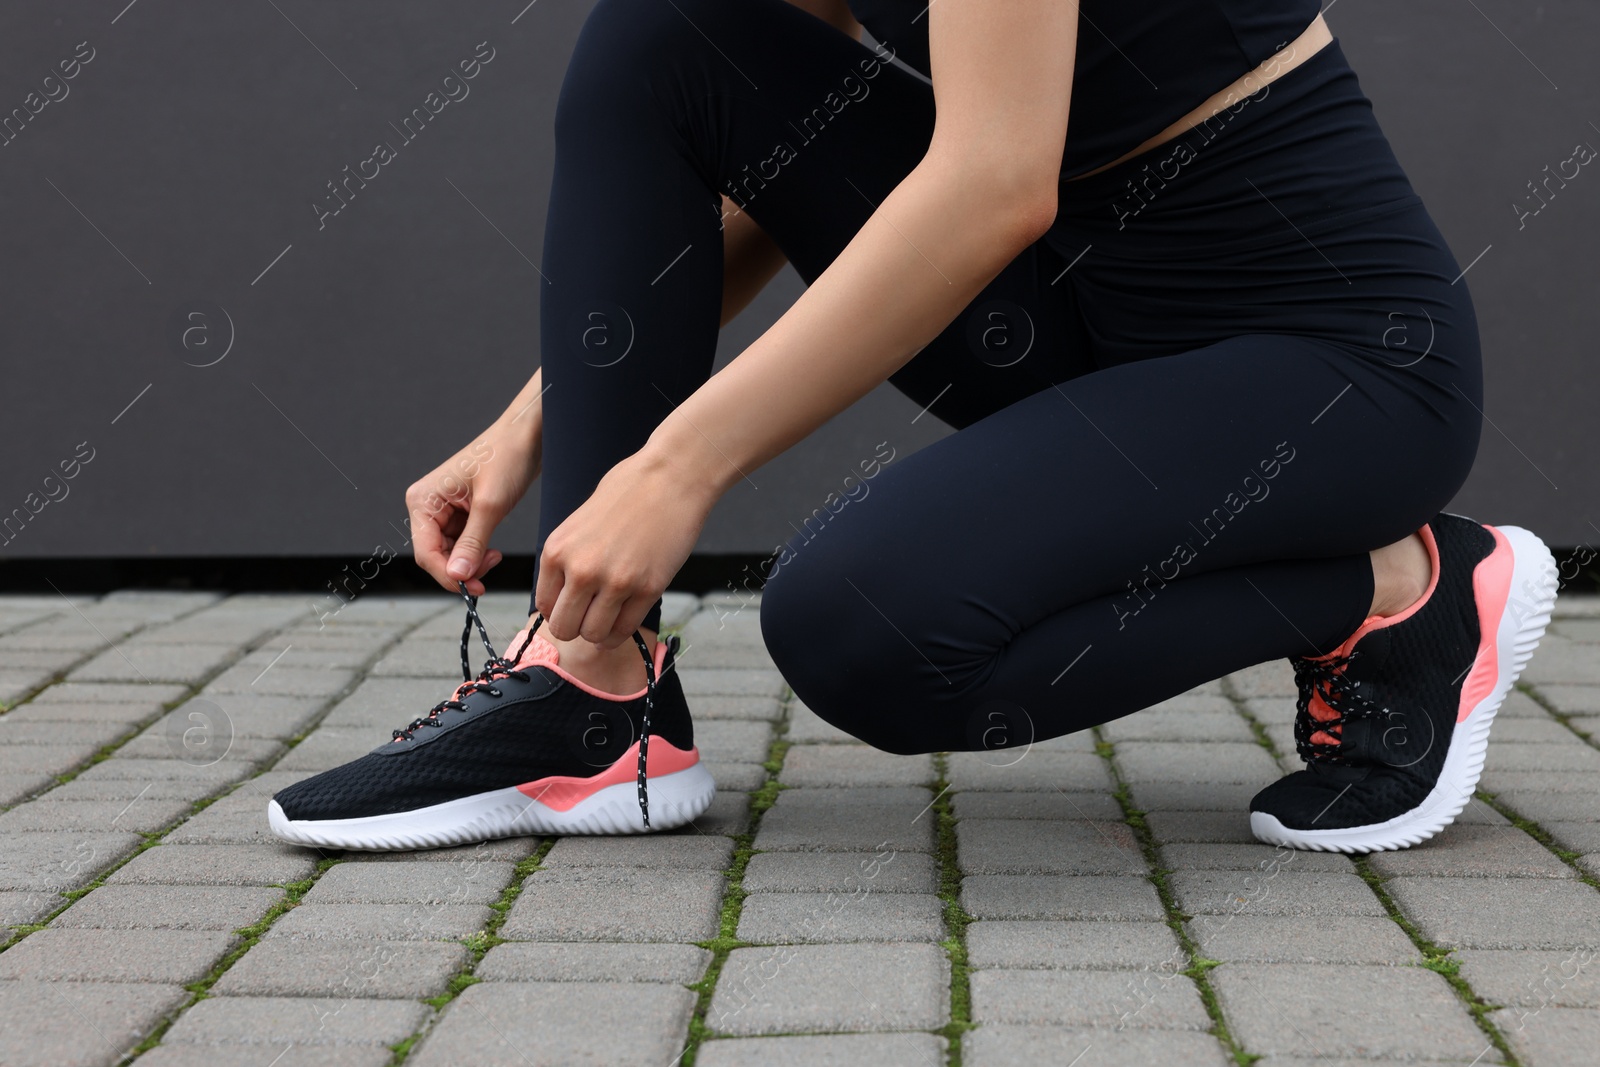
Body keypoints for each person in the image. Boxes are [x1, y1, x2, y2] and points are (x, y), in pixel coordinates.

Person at [267, 0, 1560, 853]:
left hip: (1327, 367)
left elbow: (991, 180)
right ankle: (591, 692)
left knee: (862, 634)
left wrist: (680, 466)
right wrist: (538, 417)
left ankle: (1405, 585)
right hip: (1084, 316)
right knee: (671, 35)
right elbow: (786, 157)